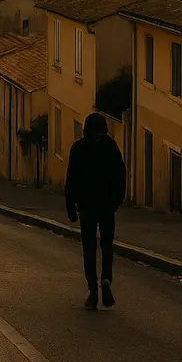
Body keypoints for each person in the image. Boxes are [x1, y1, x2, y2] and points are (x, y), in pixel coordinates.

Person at [65, 112, 126, 310]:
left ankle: (93, 291)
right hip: (107, 207)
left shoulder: (79, 148)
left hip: (87, 207)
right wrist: (117, 201)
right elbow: (121, 175)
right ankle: (106, 278)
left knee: (89, 248)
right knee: (107, 245)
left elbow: (71, 180)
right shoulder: (111, 147)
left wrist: (71, 207)